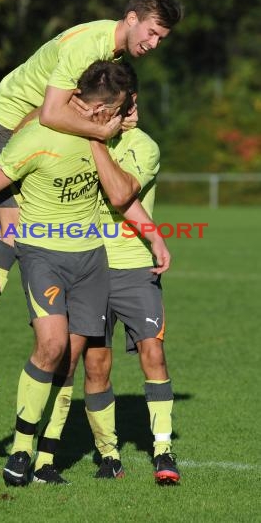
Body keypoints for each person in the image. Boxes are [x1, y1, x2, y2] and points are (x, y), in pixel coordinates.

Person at [0, 0, 183, 386]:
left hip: (30, 122)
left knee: (18, 230)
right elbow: (55, 113)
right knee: (13, 230)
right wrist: (105, 127)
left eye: (161, 38)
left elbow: (80, 105)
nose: (154, 43)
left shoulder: (113, 51)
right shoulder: (88, 47)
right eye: (151, 32)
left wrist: (120, 112)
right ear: (131, 18)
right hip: (10, 122)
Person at [0, 61, 135, 485]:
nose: (108, 119)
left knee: (70, 358)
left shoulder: (109, 139)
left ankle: (46, 458)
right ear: (87, 104)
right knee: (52, 344)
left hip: (91, 259)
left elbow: (123, 190)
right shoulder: (39, 137)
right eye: (105, 112)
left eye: (112, 113)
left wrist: (106, 133)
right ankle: (20, 451)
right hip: (43, 254)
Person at [31, 89, 180, 484]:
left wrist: (96, 138)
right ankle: (108, 455)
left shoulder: (143, 147)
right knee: (95, 365)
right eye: (120, 106)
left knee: (154, 353)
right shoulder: (81, 141)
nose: (129, 111)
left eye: (133, 104)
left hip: (134, 269)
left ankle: (164, 450)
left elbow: (121, 194)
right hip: (89, 267)